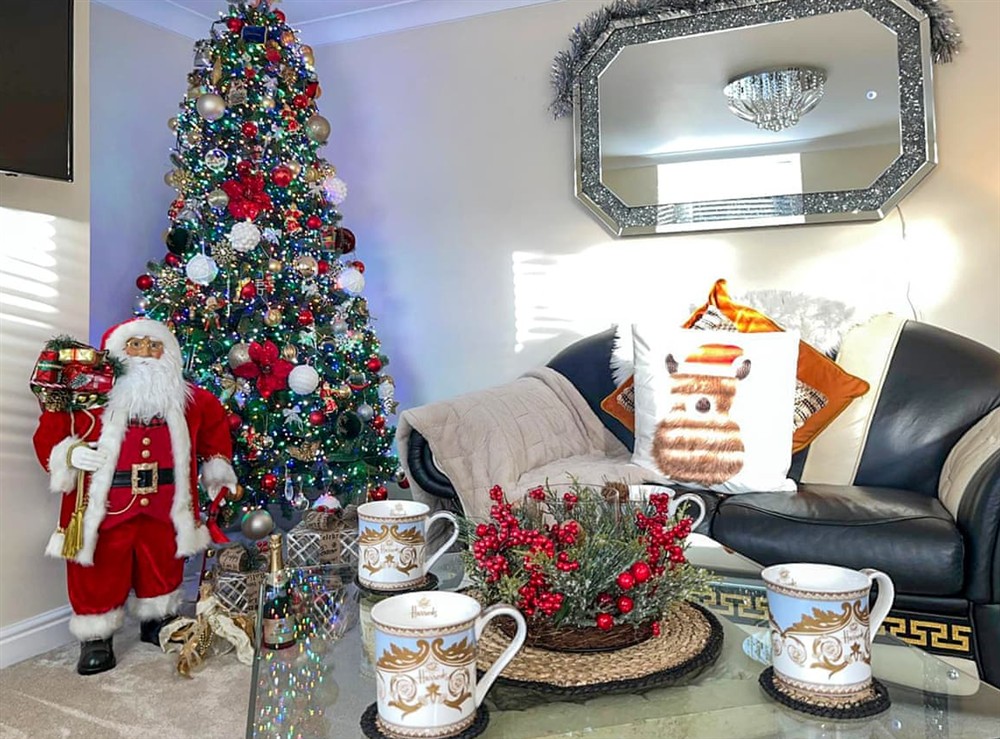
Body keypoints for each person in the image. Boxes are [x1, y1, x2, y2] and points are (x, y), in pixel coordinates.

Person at [32, 318, 237, 675]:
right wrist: (69, 453)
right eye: (136, 345)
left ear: (168, 353)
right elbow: (52, 429)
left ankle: (157, 619)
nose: (145, 353)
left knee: (162, 558)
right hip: (107, 505)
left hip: (166, 501)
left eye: (154, 346)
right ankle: (97, 635)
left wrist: (216, 468)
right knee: (99, 565)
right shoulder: (88, 396)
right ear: (117, 352)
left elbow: (214, 426)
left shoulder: (188, 399)